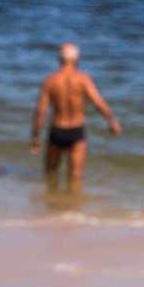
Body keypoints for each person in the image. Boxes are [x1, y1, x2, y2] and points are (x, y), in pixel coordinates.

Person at [31, 43, 122, 192]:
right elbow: (98, 103)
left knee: (50, 176)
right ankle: (72, 205)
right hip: (76, 132)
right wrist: (112, 120)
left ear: (59, 59)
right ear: (76, 59)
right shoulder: (83, 79)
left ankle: (51, 204)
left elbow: (40, 111)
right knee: (75, 180)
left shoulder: (50, 80)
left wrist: (35, 136)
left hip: (57, 130)